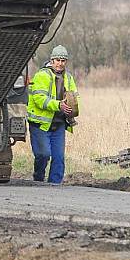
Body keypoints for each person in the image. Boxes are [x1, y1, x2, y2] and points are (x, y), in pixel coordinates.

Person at [27, 45, 79, 184]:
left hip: (59, 124)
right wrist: (58, 105)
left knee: (59, 157)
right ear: (52, 60)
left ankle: (55, 185)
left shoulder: (68, 78)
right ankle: (38, 178)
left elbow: (74, 96)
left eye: (63, 60)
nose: (60, 64)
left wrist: (73, 106)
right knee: (43, 155)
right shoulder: (41, 76)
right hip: (40, 124)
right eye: (57, 60)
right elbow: (39, 100)